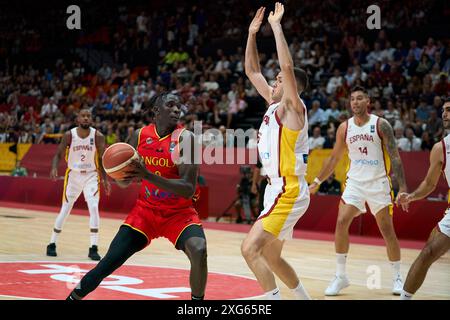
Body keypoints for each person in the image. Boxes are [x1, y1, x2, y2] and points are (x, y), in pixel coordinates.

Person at [66, 93, 208, 300]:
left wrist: (147, 175)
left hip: (178, 214)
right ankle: (72, 298)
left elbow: (187, 188)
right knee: (108, 263)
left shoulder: (187, 140)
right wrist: (119, 173)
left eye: (179, 107)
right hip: (145, 212)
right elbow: (124, 181)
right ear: (156, 111)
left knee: (199, 250)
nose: (177, 110)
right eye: (170, 105)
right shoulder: (139, 136)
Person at [309, 85, 408, 296]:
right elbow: (334, 158)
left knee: (387, 231)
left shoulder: (382, 125)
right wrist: (317, 180)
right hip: (354, 183)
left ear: (368, 101)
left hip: (378, 183)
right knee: (341, 221)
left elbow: (395, 157)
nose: (355, 102)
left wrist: (403, 188)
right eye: (352, 99)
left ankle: (397, 277)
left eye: (360, 98)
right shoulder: (344, 128)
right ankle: (340, 275)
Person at [241, 4, 311, 300]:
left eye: (280, 81)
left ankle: (272, 300)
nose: (275, 81)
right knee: (272, 257)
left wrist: (277, 27)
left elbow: (286, 68)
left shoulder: (294, 109)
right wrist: (252, 34)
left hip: (289, 189)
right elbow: (251, 70)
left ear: (293, 87)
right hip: (276, 189)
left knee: (249, 248)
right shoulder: (273, 103)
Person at [397, 98, 450, 300]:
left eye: (449, 110)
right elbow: (429, 184)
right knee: (428, 252)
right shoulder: (441, 148)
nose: (445, 114)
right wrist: (411, 196)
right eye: (443, 110)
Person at [47, 108, 111, 260]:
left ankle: (93, 247)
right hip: (73, 176)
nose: (86, 118)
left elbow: (102, 160)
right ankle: (52, 243)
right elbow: (57, 155)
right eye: (83, 116)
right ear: (78, 119)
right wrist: (54, 167)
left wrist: (105, 179)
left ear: (92, 119)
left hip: (91, 175)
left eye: (89, 116)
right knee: (66, 208)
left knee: (94, 207)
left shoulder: (98, 136)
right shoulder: (70, 135)